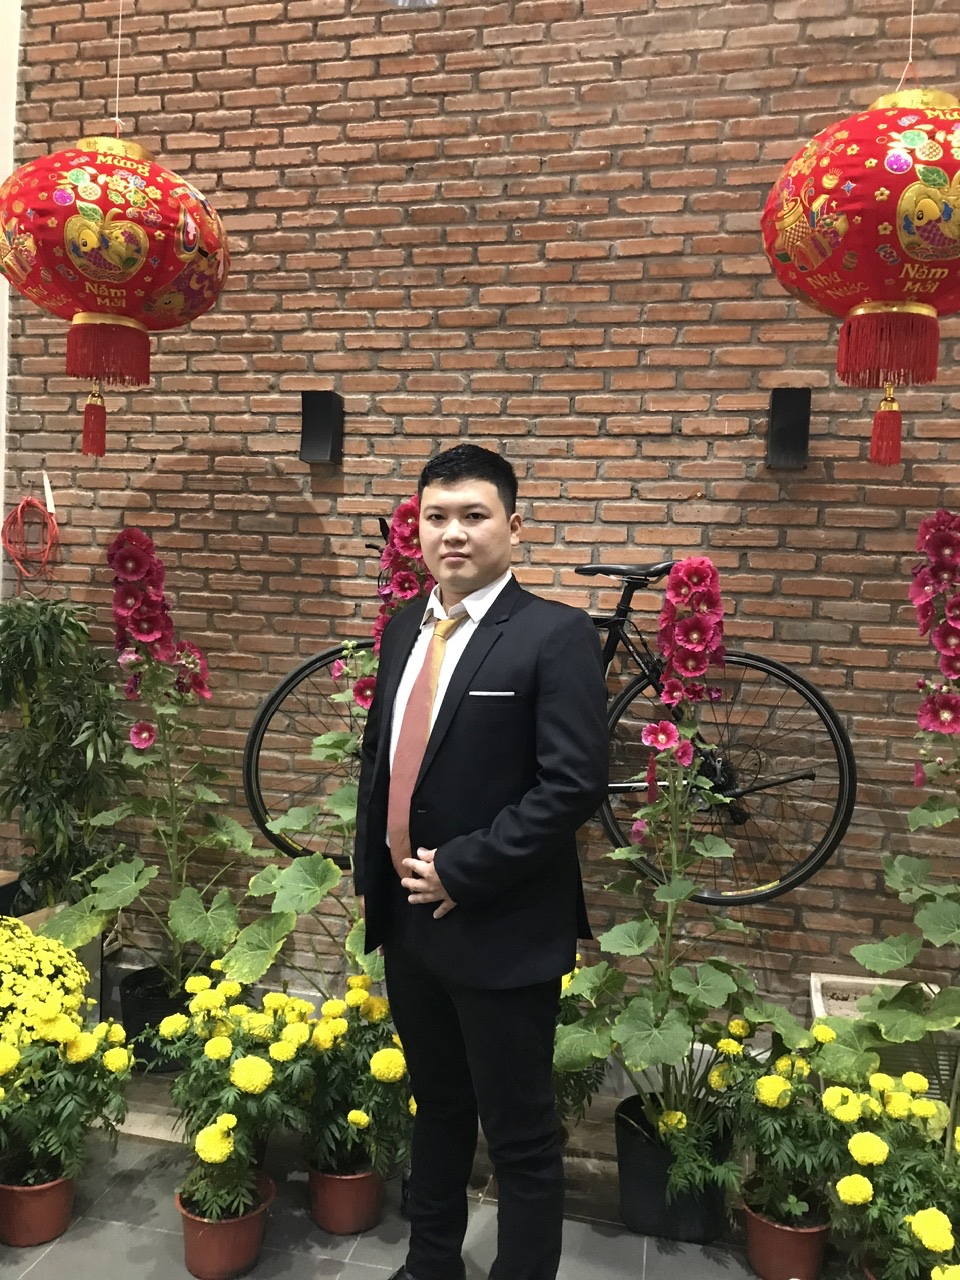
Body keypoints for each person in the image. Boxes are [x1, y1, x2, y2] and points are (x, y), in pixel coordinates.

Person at [354, 443, 609, 1280]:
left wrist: (465, 869)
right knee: (436, 1109)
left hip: (501, 926)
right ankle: (431, 1265)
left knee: (520, 1136)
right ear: (417, 529)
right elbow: (382, 759)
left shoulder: (554, 634)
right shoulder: (404, 627)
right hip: (410, 924)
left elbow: (572, 784)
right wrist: (373, 873)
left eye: (474, 515)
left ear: (514, 526)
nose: (452, 534)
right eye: (436, 516)